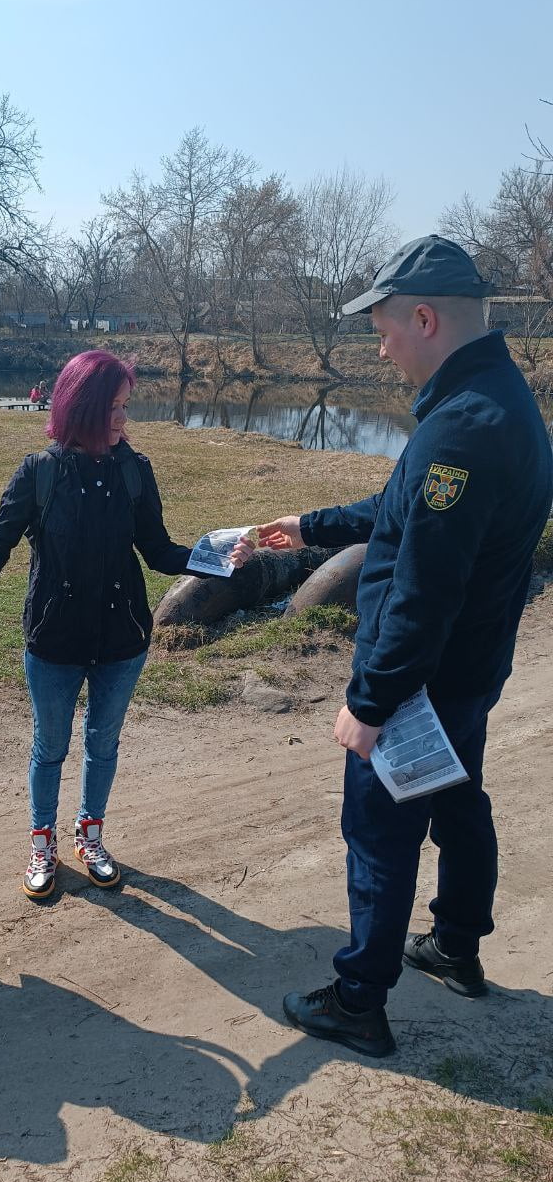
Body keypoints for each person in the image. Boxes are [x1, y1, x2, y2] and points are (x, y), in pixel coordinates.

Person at [245, 235, 553, 1057]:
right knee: (457, 801)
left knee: (378, 831)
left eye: (383, 331)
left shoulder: (462, 431)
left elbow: (425, 591)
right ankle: (455, 945)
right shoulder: (493, 402)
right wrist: (310, 527)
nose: (380, 351)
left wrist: (372, 700)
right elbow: (400, 508)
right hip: (468, 672)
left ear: (424, 319)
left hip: (423, 683)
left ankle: (358, 1001)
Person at [0, 349, 248, 900]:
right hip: (54, 639)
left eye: (125, 406)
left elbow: (158, 550)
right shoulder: (39, 472)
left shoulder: (134, 471)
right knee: (49, 747)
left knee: (103, 743)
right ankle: (42, 841)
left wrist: (218, 559)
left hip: (122, 638)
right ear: (80, 407)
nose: (122, 419)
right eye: (113, 407)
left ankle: (90, 835)